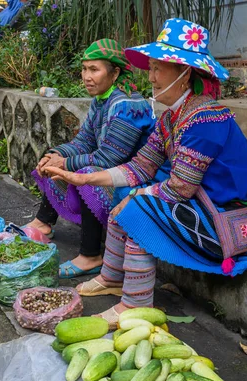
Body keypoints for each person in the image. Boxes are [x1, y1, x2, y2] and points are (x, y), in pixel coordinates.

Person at [45, 19, 247, 327]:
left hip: (223, 219)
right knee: (125, 204)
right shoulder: (172, 118)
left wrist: (133, 196)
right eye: (150, 68)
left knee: (137, 212)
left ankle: (134, 305)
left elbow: (179, 190)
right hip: (201, 208)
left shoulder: (205, 121)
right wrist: (83, 177)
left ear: (185, 73)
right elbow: (140, 167)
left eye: (157, 69)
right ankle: (111, 277)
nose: (150, 77)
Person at [28, 38, 155, 279]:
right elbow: (84, 141)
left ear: (115, 72)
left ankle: (91, 256)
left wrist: (64, 164)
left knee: (86, 175)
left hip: (135, 178)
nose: (86, 76)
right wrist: (56, 156)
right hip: (114, 169)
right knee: (54, 162)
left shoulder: (128, 105)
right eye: (84, 69)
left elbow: (109, 158)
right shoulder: (102, 100)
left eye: (94, 69)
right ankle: (43, 223)